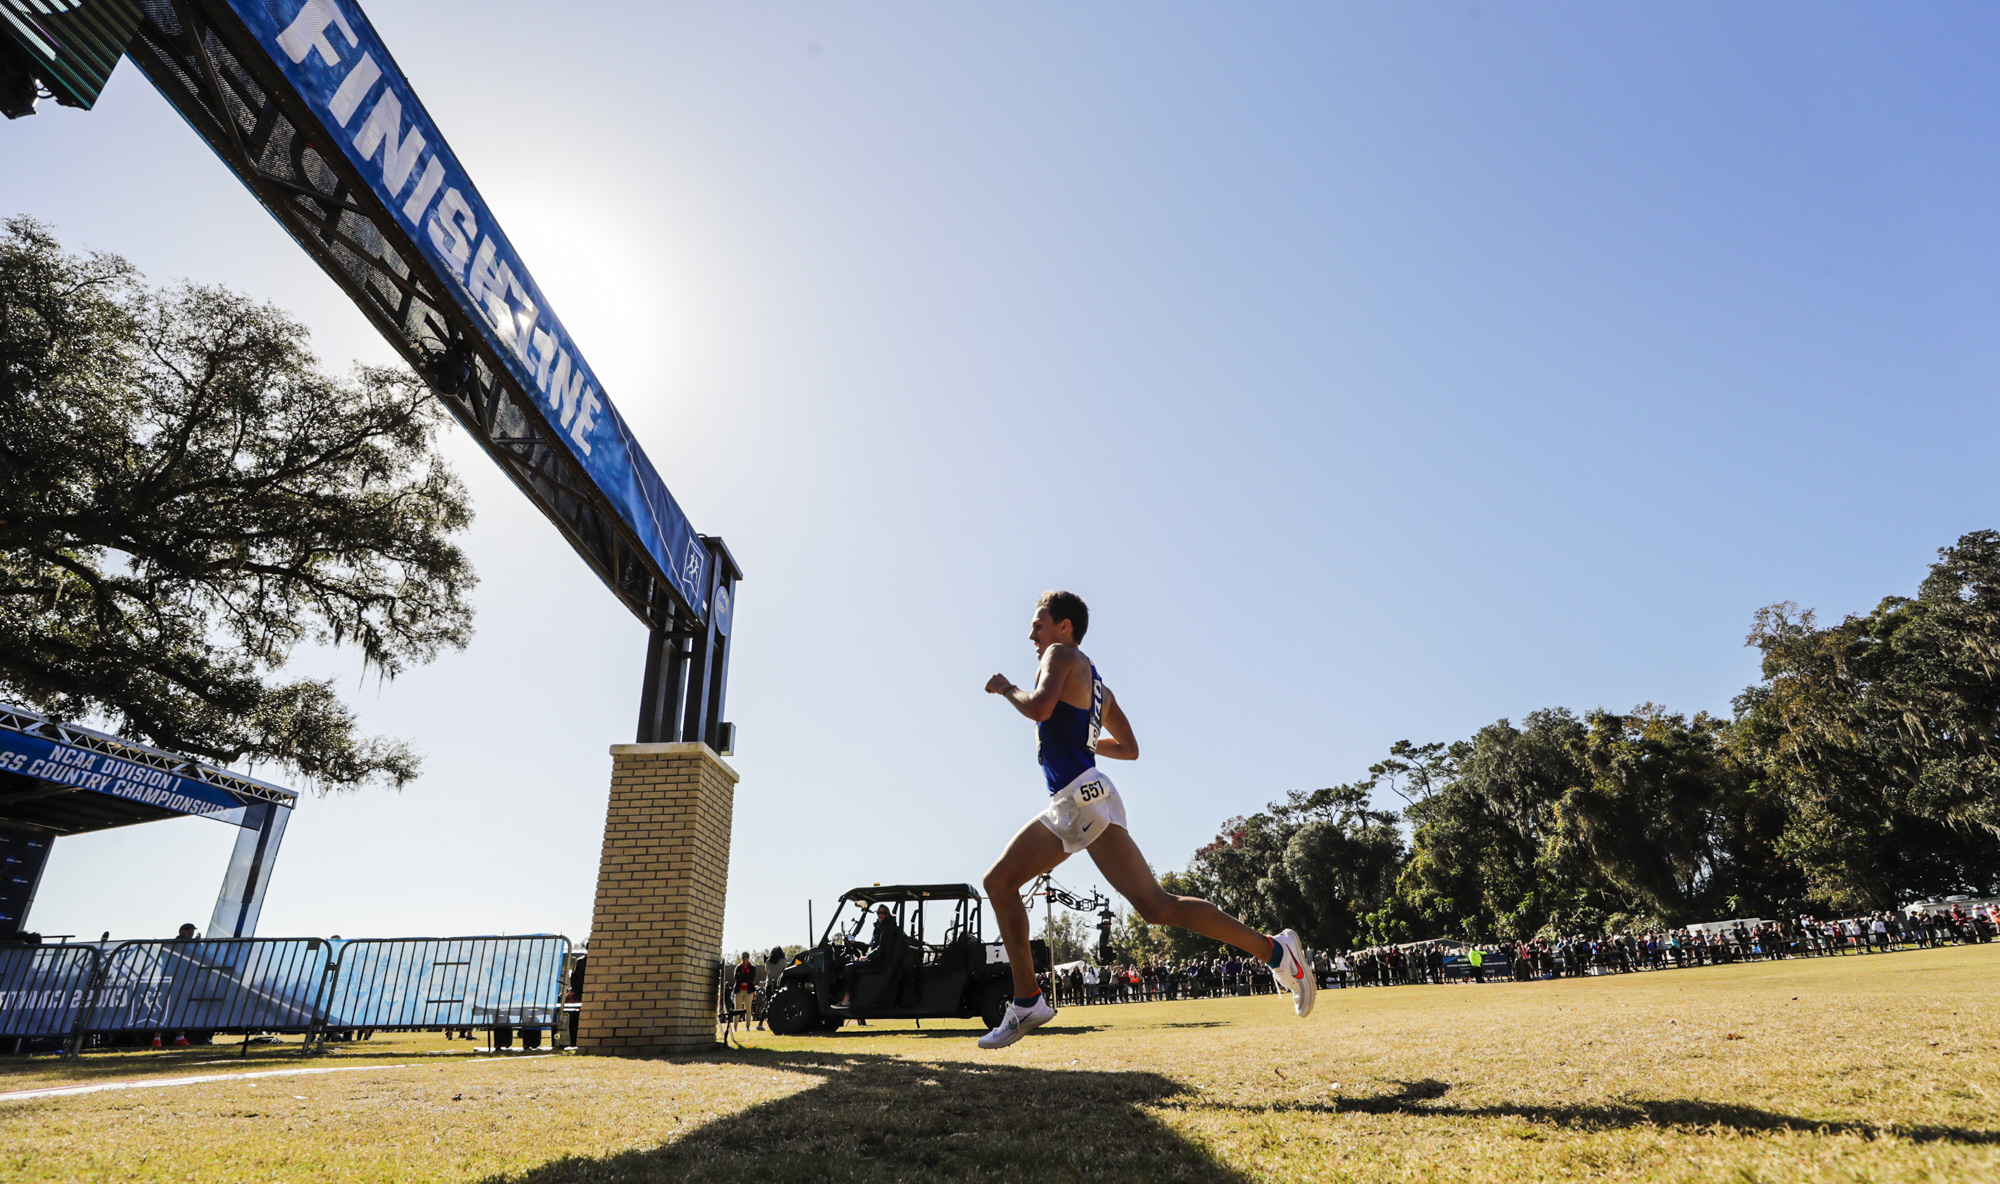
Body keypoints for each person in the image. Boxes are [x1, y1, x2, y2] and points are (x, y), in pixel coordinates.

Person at [977, 590, 1314, 1049]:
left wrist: (1006, 688)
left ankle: (1027, 999)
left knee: (1003, 883)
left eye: (1039, 623)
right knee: (1154, 906)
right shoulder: (1101, 687)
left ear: (1064, 627)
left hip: (1078, 797)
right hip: (1088, 795)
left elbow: (1037, 706)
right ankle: (1276, 951)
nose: (1032, 633)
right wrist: (1080, 742)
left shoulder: (1060, 654)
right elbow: (1130, 749)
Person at [836, 905, 902, 1009]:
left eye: (883, 913)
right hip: (876, 958)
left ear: (887, 914)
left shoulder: (887, 929)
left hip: (880, 962)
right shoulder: (878, 928)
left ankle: (847, 999)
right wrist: (855, 943)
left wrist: (867, 957)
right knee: (851, 965)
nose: (880, 915)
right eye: (878, 912)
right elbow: (871, 946)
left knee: (848, 967)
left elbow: (882, 948)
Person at [731, 953, 756, 1019]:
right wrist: (746, 976)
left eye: (746, 957)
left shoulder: (752, 968)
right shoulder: (738, 967)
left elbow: (751, 978)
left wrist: (742, 976)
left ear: (748, 958)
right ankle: (735, 1027)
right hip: (739, 990)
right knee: (737, 1008)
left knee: (748, 1009)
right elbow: (736, 977)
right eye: (743, 957)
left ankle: (747, 1026)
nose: (744, 958)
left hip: (748, 990)